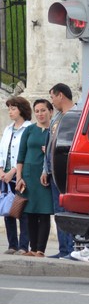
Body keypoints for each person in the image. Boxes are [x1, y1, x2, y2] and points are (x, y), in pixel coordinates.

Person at [16, 99, 55, 257]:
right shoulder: (29, 130)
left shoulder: (54, 131)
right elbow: (21, 155)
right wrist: (19, 177)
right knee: (30, 212)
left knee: (44, 212)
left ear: (50, 112)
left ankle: (41, 249)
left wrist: (50, 149)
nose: (40, 114)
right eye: (37, 111)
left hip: (45, 176)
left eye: (43, 110)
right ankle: (32, 249)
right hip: (29, 176)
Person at [41, 83, 76, 259]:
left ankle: (72, 249)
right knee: (58, 211)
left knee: (68, 210)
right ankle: (64, 249)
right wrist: (45, 169)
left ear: (61, 95)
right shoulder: (57, 118)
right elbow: (49, 143)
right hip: (53, 169)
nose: (52, 101)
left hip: (66, 170)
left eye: (53, 97)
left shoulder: (76, 115)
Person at [0, 97, 31, 255]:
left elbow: (25, 153)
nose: (10, 112)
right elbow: (1, 150)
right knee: (8, 210)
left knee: (22, 210)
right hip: (4, 176)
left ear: (21, 109)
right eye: (9, 109)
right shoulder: (7, 129)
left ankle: (23, 246)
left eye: (13, 108)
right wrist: (1, 170)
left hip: (19, 176)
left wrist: (13, 171)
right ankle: (12, 245)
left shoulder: (28, 128)